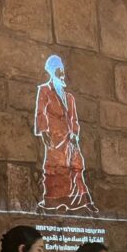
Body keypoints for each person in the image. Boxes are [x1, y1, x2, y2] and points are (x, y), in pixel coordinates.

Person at [34, 55, 97, 213]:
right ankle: (54, 202)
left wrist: (75, 134)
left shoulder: (70, 98)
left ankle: (82, 200)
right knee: (55, 169)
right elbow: (40, 112)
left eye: (63, 70)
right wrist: (44, 131)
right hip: (55, 138)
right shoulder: (44, 91)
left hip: (69, 139)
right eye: (59, 70)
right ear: (53, 71)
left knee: (76, 167)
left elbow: (74, 119)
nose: (62, 73)